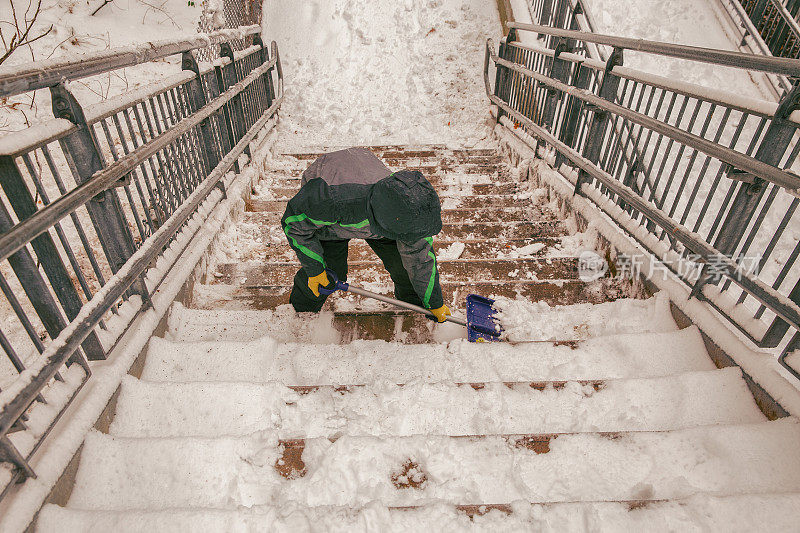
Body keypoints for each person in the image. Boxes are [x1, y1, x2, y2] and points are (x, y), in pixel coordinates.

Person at [281, 147, 451, 322]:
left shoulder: (409, 213)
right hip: (331, 221)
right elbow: (294, 223)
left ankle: (413, 310)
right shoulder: (332, 201)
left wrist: (434, 302)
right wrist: (314, 269)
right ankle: (302, 314)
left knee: (405, 269)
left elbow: (420, 260)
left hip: (387, 214)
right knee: (329, 274)